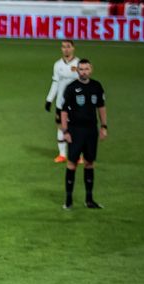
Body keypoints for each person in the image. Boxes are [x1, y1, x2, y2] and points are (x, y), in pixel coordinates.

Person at [60, 59, 108, 210]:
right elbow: (64, 111)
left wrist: (104, 126)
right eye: (81, 69)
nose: (84, 72)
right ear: (77, 70)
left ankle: (89, 200)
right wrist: (65, 131)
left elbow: (101, 107)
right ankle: (68, 201)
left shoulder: (96, 86)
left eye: (86, 69)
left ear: (91, 69)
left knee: (89, 163)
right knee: (72, 164)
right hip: (75, 130)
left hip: (91, 131)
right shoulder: (71, 88)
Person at [45, 40, 79, 164]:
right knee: (61, 127)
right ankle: (62, 154)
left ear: (73, 48)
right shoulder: (57, 65)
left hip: (76, 103)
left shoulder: (78, 64)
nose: (66, 49)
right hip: (61, 103)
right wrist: (49, 99)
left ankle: (78, 155)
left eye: (68, 47)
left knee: (76, 128)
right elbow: (55, 82)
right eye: (64, 47)